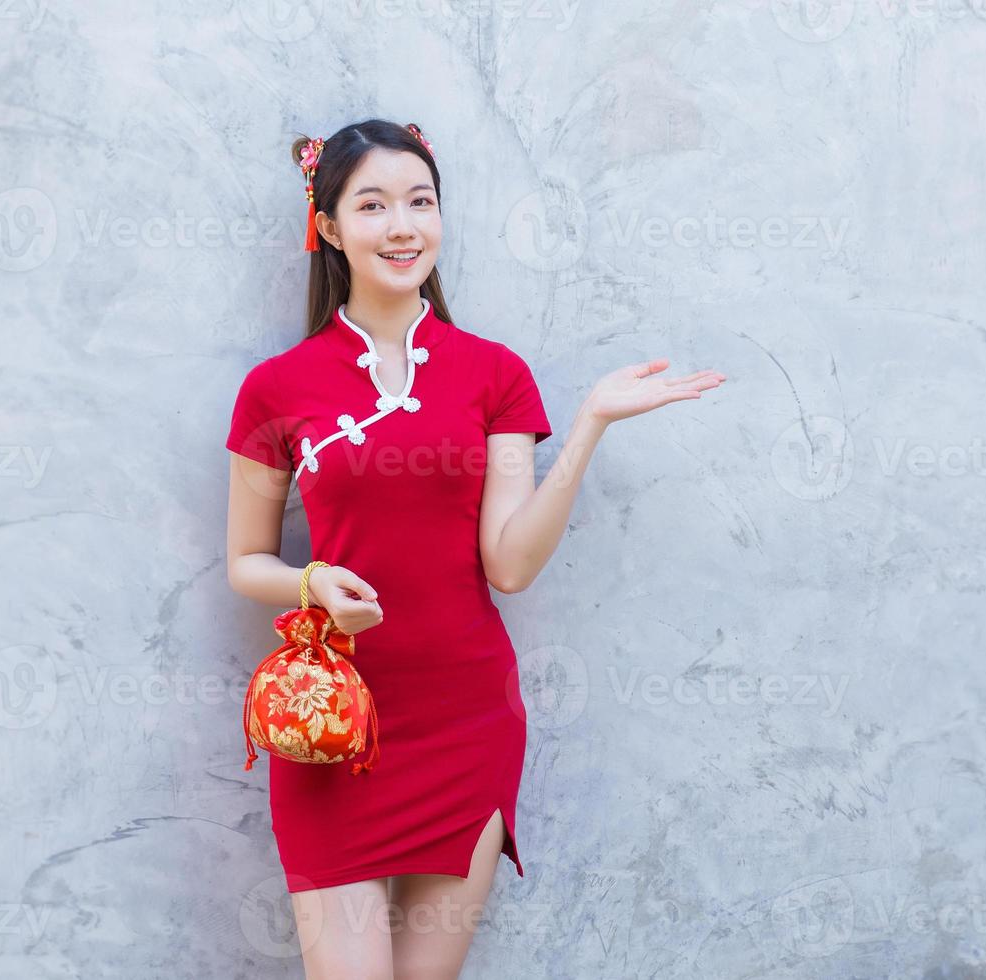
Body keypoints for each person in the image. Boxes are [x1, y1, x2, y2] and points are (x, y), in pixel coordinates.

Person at [224, 117, 725, 980]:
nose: (403, 224)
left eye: (421, 201)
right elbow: (246, 562)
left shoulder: (495, 375)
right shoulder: (276, 387)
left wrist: (589, 427)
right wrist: (310, 582)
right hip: (329, 729)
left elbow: (511, 565)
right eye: (373, 204)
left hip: (466, 725)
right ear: (331, 228)